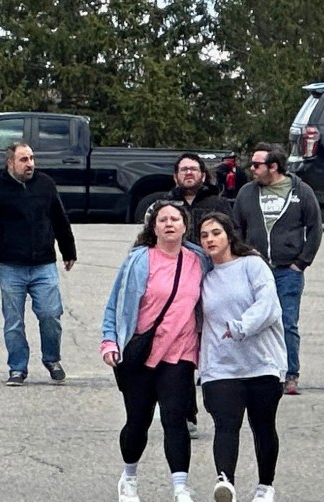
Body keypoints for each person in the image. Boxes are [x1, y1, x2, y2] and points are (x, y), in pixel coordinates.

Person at [101, 200, 213, 502]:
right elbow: (115, 304)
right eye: (162, 219)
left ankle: (180, 487)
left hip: (180, 354)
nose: (169, 224)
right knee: (138, 420)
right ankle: (129, 477)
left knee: (175, 419)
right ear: (153, 227)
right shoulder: (139, 260)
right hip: (139, 353)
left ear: (185, 226)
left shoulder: (199, 259)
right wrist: (109, 341)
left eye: (175, 219)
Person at [0, 141, 77, 387]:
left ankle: (52, 359)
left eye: (31, 158)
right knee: (14, 322)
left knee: (50, 315)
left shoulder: (45, 184)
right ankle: (17, 368)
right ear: (10, 163)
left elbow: (59, 219)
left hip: (43, 264)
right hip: (10, 266)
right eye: (24, 159)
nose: (30, 164)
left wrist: (68, 251)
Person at [197, 212, 285, 502]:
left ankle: (265, 486)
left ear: (229, 235)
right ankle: (226, 483)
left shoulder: (252, 265)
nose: (210, 239)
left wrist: (240, 327)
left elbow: (269, 306)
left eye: (216, 233)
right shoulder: (204, 277)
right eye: (204, 236)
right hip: (220, 367)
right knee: (225, 425)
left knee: (263, 426)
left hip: (261, 363)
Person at [232, 143, 322, 396]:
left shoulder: (301, 191)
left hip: (287, 271)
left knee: (286, 322)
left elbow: (315, 228)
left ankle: (290, 374)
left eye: (257, 165)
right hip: (255, 269)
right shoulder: (247, 193)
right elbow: (236, 227)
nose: (252, 169)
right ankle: (255, 370)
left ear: (273, 166)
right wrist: (243, 256)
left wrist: (300, 263)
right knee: (252, 321)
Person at [165, 152, 232, 439]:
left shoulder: (218, 204)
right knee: (182, 354)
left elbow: (233, 239)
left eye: (194, 169)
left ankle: (223, 412)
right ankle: (187, 414)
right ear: (175, 176)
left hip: (212, 283)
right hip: (178, 286)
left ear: (203, 175)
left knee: (214, 350)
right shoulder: (167, 206)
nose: (189, 173)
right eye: (184, 169)